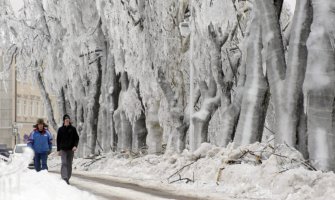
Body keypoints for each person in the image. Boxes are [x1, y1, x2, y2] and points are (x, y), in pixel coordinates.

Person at [57, 114, 79, 185]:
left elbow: (76, 138)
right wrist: (58, 150)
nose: (67, 121)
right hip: (63, 149)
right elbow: (58, 140)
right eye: (65, 120)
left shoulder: (73, 129)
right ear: (63, 121)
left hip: (70, 150)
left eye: (68, 120)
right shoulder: (60, 129)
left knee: (69, 164)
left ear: (69, 121)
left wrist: (75, 146)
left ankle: (68, 177)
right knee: (64, 163)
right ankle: (64, 177)